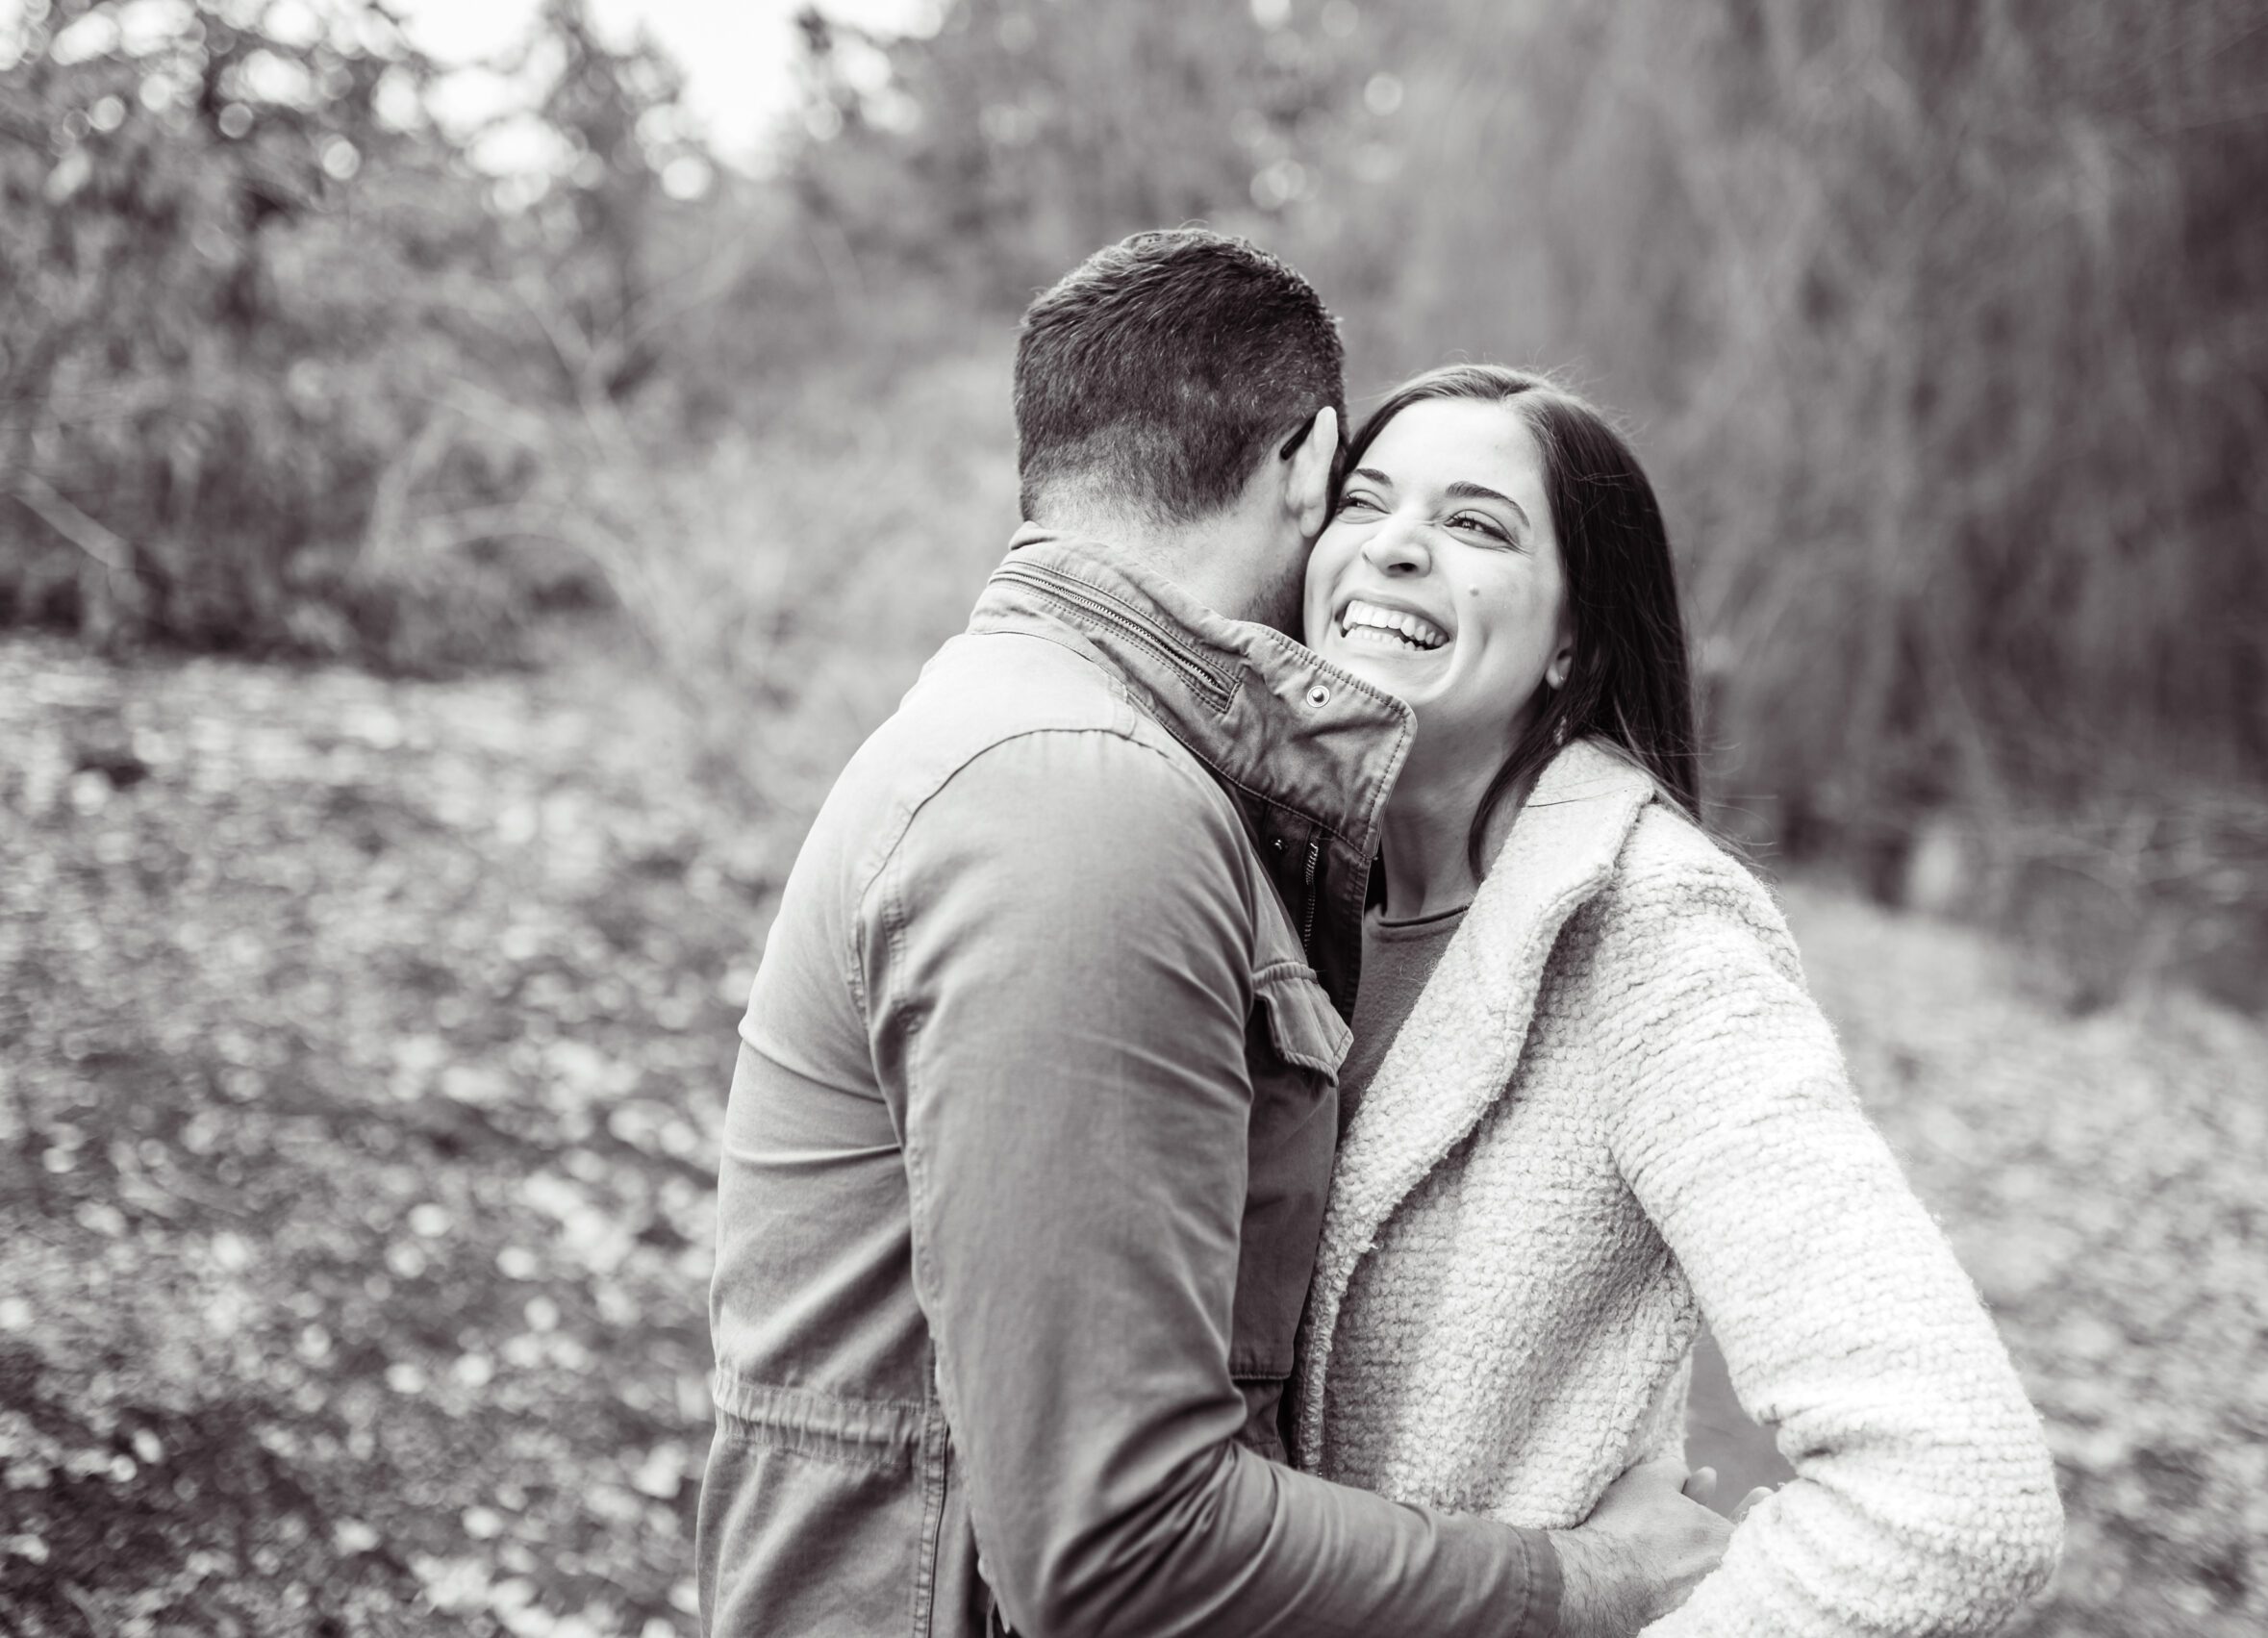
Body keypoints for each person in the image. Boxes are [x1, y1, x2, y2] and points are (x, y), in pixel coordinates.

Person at [696, 234, 1734, 1638]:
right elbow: (1118, 1547)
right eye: (1364, 491)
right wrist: (1581, 1584)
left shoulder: (1040, 741)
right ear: (1307, 464)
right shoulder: (1083, 800)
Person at [1290, 364, 2069, 1634]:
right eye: (1363, 500)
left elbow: (1952, 1493)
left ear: (1575, 645)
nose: (1393, 545)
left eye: (1476, 523)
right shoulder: (1269, 904)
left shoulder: (1650, 933)